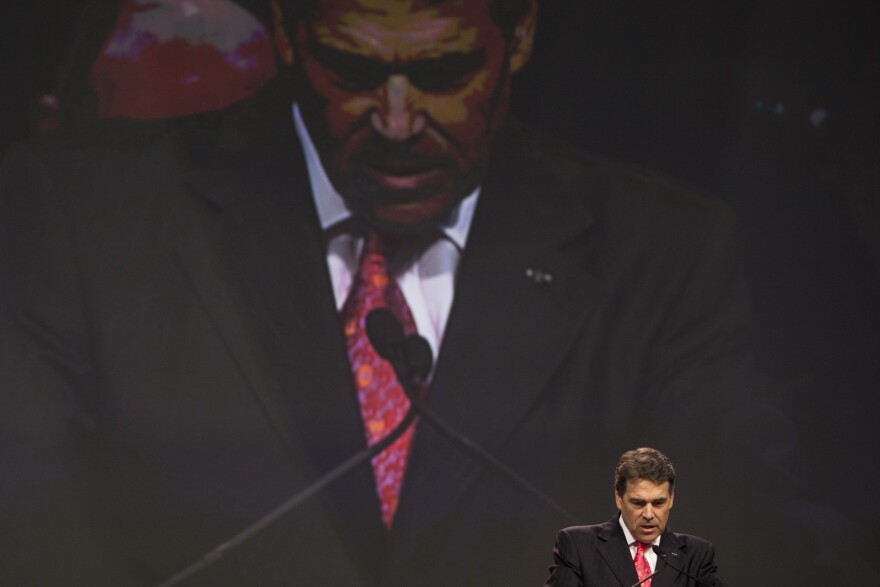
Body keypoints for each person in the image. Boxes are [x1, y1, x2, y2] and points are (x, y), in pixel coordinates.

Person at [0, 1, 862, 585]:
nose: (401, 120)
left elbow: (743, 521)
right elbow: (35, 527)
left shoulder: (661, 250)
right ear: (288, 34)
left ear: (521, 33)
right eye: (353, 71)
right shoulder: (81, 221)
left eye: (447, 72)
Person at [544, 448, 727, 587]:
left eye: (658, 503)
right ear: (618, 498)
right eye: (638, 503)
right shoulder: (578, 545)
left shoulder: (696, 554)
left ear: (671, 499)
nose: (648, 514)